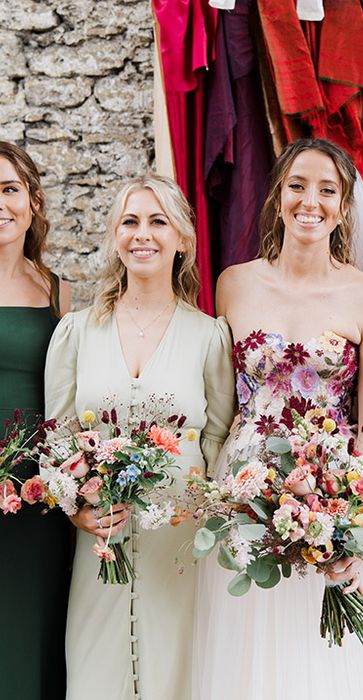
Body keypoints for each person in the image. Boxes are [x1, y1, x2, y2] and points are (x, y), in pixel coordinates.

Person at [193, 138, 363, 699]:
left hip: (330, 488)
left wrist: (357, 522)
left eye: (327, 190)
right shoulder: (233, 284)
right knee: (251, 647)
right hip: (246, 488)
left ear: (343, 208)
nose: (309, 201)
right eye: (297, 185)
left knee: (325, 661)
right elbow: (222, 398)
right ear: (278, 196)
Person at [45, 174, 235, 700]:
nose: (142, 234)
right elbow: (57, 437)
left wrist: (203, 507)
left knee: (180, 672)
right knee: (93, 668)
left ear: (183, 240)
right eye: (130, 221)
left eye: (158, 221)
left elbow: (219, 436)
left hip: (179, 545)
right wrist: (73, 506)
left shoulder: (209, 336)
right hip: (99, 543)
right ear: (115, 236)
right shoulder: (77, 332)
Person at [0, 141, 72, 700]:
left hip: (35, 490)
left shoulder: (58, 293)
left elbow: (70, 395)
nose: (0, 203)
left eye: (9, 189)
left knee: (31, 633)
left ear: (33, 202)